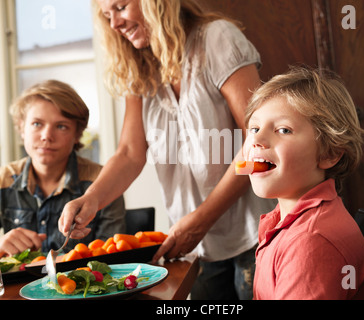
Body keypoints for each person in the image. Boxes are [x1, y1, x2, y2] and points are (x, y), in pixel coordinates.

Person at [58, 0, 275, 299]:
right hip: (193, 247)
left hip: (256, 232)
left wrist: (200, 221)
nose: (115, 24)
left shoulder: (217, 39)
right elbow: (130, 153)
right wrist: (91, 198)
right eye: (107, 16)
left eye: (120, 7)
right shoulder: (139, 65)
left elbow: (258, 139)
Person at [243, 66, 364, 299]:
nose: (257, 139)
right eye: (254, 128)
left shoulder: (309, 243)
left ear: (330, 153)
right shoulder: (288, 220)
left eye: (283, 130)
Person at [0, 80, 126, 257]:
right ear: (21, 128)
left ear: (77, 134)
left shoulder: (103, 182)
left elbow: (112, 257)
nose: (47, 136)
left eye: (61, 126)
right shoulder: (3, 180)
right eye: (37, 124)